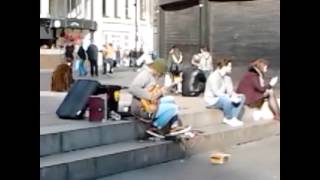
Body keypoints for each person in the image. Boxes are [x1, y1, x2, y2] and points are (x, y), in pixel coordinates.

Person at [129, 59, 186, 136]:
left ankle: (174, 126)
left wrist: (161, 92)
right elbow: (132, 89)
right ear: (157, 70)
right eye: (161, 73)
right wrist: (150, 96)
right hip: (142, 107)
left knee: (171, 99)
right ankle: (155, 127)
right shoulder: (145, 75)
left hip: (150, 103)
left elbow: (154, 92)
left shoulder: (152, 75)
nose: (161, 75)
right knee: (174, 108)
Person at [204, 57, 245, 127]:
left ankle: (233, 118)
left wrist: (235, 96)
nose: (231, 68)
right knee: (225, 98)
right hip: (211, 100)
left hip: (223, 98)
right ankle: (228, 118)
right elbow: (215, 93)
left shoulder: (227, 78)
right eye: (230, 66)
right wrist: (228, 97)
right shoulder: (213, 76)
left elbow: (230, 91)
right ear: (224, 66)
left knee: (241, 97)